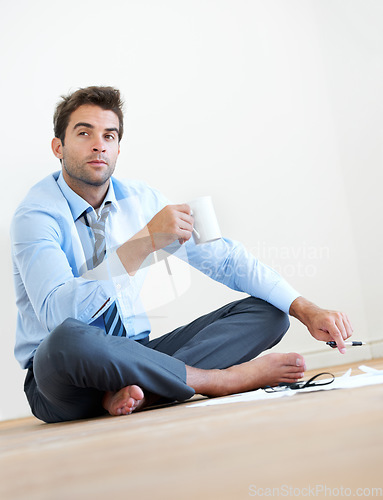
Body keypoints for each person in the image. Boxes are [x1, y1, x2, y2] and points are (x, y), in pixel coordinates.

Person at [11, 86, 353, 423]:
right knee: (63, 341)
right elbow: (58, 314)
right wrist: (143, 242)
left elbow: (225, 258)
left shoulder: (143, 198)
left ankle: (146, 390)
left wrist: (305, 309)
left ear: (118, 149)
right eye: (84, 133)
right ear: (58, 146)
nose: (99, 144)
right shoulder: (36, 215)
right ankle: (215, 381)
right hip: (65, 379)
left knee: (271, 312)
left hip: (139, 355)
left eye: (110, 136)